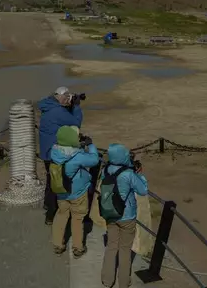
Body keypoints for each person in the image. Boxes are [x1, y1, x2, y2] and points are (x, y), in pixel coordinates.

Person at [100, 144, 148, 288]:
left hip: (110, 213)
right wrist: (139, 174)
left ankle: (107, 280)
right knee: (125, 250)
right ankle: (124, 282)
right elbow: (143, 190)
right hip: (127, 216)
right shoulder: (128, 174)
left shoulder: (105, 170)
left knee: (111, 246)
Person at [50, 126, 99, 258]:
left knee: (61, 214)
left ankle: (57, 244)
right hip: (77, 192)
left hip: (61, 191)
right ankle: (78, 247)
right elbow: (94, 159)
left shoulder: (55, 152)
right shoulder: (77, 157)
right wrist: (90, 144)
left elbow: (69, 151)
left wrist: (79, 146)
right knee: (77, 218)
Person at [38, 87, 83, 224]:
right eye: (67, 97)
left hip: (46, 151)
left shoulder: (48, 106)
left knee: (50, 178)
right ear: (61, 97)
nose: (68, 99)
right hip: (55, 153)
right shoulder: (58, 111)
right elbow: (76, 123)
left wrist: (67, 105)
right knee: (56, 182)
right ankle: (51, 215)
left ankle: (47, 204)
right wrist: (76, 107)